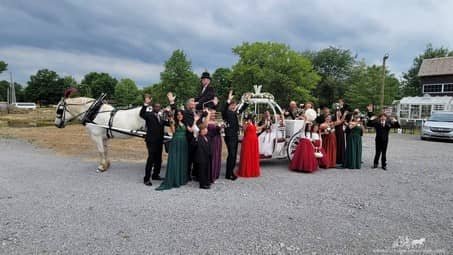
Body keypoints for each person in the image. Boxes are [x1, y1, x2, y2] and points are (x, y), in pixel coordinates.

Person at [156, 110, 199, 190]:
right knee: (175, 160)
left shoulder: (185, 123)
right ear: (176, 116)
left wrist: (195, 121)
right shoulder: (174, 122)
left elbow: (191, 130)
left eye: (181, 114)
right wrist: (171, 121)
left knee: (182, 160)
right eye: (178, 114)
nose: (179, 116)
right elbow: (173, 131)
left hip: (184, 143)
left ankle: (181, 179)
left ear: (183, 115)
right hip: (176, 142)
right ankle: (174, 179)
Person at [140, 94, 169, 186]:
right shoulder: (148, 115)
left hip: (159, 141)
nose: (158, 108)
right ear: (153, 107)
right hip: (151, 141)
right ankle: (146, 179)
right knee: (151, 159)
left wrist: (169, 114)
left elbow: (168, 123)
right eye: (156, 106)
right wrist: (145, 104)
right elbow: (141, 114)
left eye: (159, 107)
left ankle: (155, 175)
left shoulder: (161, 117)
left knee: (158, 159)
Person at [221, 90, 248, 181]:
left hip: (234, 136)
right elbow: (224, 109)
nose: (234, 106)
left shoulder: (233, 113)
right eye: (233, 105)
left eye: (234, 105)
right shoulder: (226, 113)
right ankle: (228, 174)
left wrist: (247, 101)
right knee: (232, 154)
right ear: (229, 105)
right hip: (229, 136)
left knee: (234, 155)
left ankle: (231, 172)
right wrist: (228, 99)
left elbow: (241, 109)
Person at [366, 104, 400, 170]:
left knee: (384, 153)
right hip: (378, 139)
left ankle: (384, 165)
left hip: (385, 140)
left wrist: (395, 121)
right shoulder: (377, 122)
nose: (383, 118)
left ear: (386, 117)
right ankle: (375, 164)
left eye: (384, 117)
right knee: (377, 152)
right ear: (380, 117)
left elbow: (397, 126)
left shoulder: (389, 122)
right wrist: (370, 119)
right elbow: (368, 124)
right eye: (381, 116)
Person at [194, 110, 212, 189]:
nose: (205, 130)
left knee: (206, 170)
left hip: (207, 156)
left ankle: (206, 182)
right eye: (203, 130)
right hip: (201, 157)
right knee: (202, 171)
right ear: (200, 132)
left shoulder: (207, 137)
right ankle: (202, 184)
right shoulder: (199, 138)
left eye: (206, 129)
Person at [207, 109, 222, 183]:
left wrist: (220, 127)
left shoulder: (217, 121)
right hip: (211, 140)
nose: (213, 115)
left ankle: (216, 174)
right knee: (212, 156)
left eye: (214, 114)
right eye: (212, 114)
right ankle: (211, 175)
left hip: (218, 140)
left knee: (217, 156)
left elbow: (220, 131)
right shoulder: (206, 121)